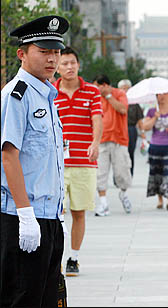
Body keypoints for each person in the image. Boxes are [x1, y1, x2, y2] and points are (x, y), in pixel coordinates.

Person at [1, 15, 69, 307]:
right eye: (43, 51)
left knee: (47, 299)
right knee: (22, 299)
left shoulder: (47, 97)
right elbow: (8, 155)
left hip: (50, 217)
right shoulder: (17, 96)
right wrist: (26, 215)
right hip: (23, 218)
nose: (52, 58)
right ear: (22, 53)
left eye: (56, 51)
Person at [54, 46, 103, 277]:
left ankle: (73, 257)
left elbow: (97, 119)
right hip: (57, 165)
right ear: (57, 67)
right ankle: (57, 259)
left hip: (84, 162)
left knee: (79, 212)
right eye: (64, 63)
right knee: (57, 213)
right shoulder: (50, 92)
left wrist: (95, 143)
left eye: (72, 62)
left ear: (78, 64)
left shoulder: (92, 92)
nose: (69, 67)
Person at [93, 74, 132, 216]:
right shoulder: (94, 97)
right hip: (101, 140)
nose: (96, 89)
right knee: (100, 173)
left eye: (98, 86)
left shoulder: (119, 93)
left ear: (105, 85)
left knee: (121, 172)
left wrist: (109, 96)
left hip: (119, 140)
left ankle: (123, 194)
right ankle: (103, 203)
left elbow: (123, 109)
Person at [118, 79, 145, 177]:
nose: (125, 90)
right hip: (118, 130)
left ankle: (130, 174)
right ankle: (118, 175)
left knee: (130, 152)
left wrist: (142, 132)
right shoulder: (115, 101)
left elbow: (140, 120)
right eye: (123, 88)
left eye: (127, 88)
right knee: (118, 154)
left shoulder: (134, 103)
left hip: (131, 129)